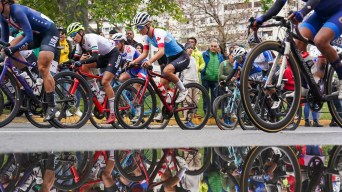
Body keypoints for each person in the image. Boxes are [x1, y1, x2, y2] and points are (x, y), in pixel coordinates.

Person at [255, 0, 342, 99]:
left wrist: (302, 12)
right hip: (319, 15)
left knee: (320, 41)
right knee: (297, 43)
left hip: (339, 11)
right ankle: (305, 85)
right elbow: (278, 5)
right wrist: (261, 19)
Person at [0, 0, 60, 121]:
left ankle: (52, 106)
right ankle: (31, 82)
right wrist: (5, 48)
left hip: (48, 32)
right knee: (10, 49)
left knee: (43, 68)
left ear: (4, 2)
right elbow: (5, 40)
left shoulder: (16, 10)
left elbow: (28, 37)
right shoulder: (3, 15)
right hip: (35, 32)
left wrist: (12, 49)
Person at [66, 22, 122, 124]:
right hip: (104, 57)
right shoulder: (79, 44)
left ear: (81, 32)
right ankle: (98, 93)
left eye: (74, 35)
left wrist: (80, 61)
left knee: (105, 82)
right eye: (71, 36)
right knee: (84, 67)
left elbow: (95, 57)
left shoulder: (90, 38)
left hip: (114, 55)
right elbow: (75, 60)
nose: (73, 38)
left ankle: (113, 113)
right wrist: (64, 64)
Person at [131, 12, 190, 103]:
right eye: (137, 27)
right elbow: (145, 53)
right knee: (161, 87)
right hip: (171, 58)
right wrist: (133, 62)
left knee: (167, 71)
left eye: (140, 27)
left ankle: (183, 90)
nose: (139, 30)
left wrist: (150, 62)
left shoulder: (158, 32)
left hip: (182, 56)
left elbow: (161, 51)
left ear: (148, 24)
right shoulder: (147, 37)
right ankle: (167, 108)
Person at [201, 40, 224, 115]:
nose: (213, 48)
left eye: (215, 46)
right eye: (212, 46)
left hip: (215, 80)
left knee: (214, 97)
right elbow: (201, 64)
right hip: (206, 79)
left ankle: (213, 112)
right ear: (209, 47)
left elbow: (222, 67)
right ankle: (206, 112)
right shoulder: (205, 54)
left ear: (217, 48)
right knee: (205, 96)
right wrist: (203, 72)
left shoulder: (220, 56)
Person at [181, 43, 200, 128]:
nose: (190, 49)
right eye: (189, 48)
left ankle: (191, 120)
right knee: (188, 102)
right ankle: (187, 120)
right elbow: (180, 72)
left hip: (195, 83)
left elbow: (195, 71)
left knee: (195, 102)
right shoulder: (183, 59)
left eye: (192, 48)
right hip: (187, 83)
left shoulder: (193, 59)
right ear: (185, 49)